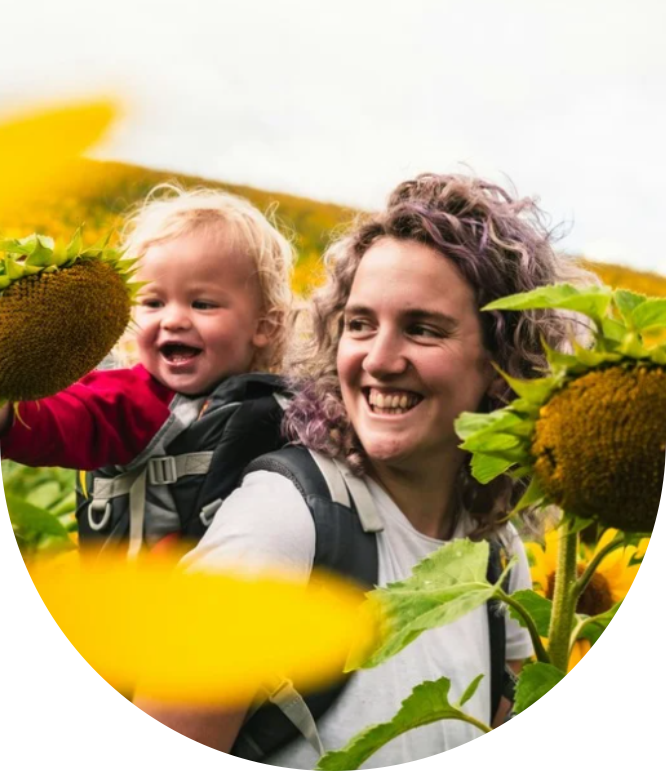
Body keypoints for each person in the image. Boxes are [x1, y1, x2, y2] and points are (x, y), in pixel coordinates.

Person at [134, 173, 597, 767]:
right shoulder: (285, 521)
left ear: (499, 360)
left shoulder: (497, 554)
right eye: (360, 324)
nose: (378, 359)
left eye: (422, 329)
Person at [0, 184, 295, 551]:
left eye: (202, 304)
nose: (173, 320)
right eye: (153, 303)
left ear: (265, 326)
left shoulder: (288, 407)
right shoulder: (137, 400)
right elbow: (69, 416)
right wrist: (9, 413)